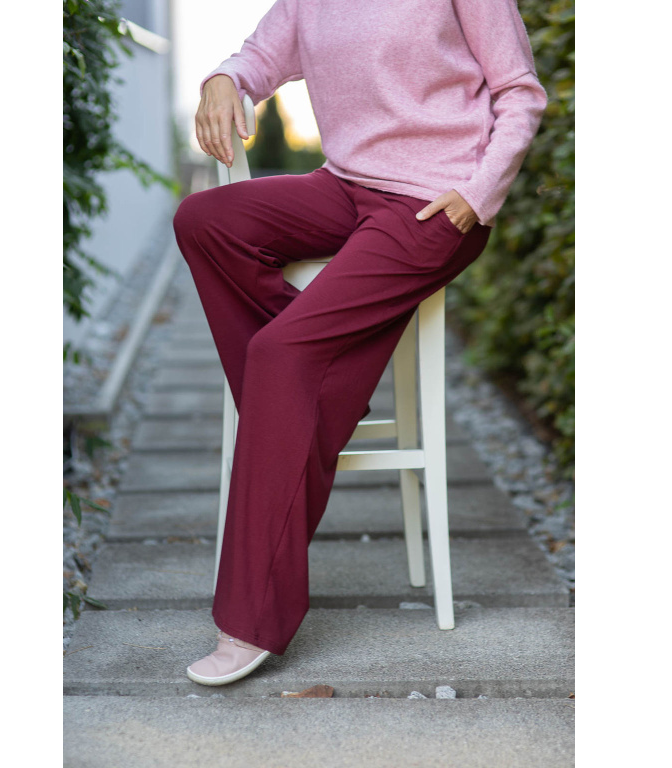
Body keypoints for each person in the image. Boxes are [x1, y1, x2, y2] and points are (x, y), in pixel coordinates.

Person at [173, 0, 547, 686]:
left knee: (279, 354)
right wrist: (223, 77)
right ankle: (308, 397)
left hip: (435, 203)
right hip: (345, 186)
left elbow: (519, 91)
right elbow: (260, 57)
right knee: (205, 220)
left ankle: (253, 618)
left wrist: (479, 192)